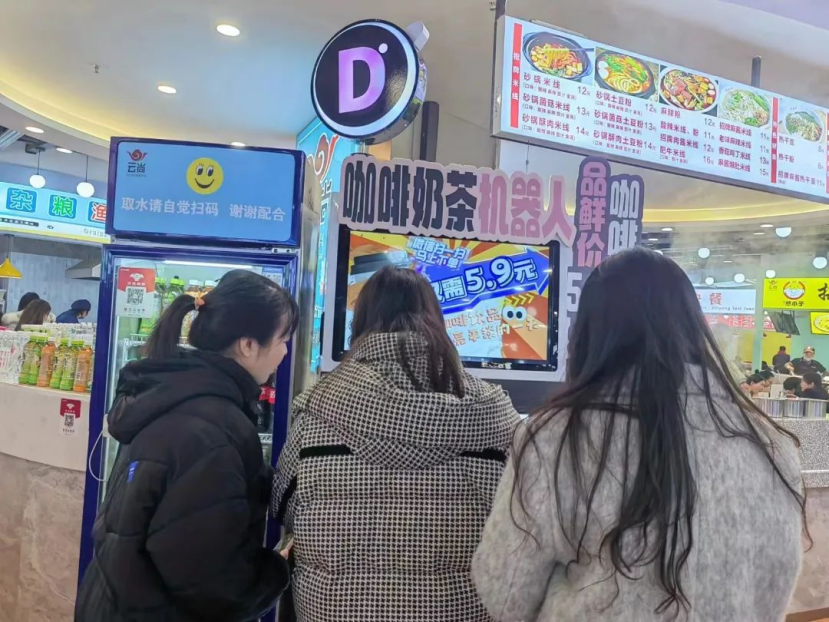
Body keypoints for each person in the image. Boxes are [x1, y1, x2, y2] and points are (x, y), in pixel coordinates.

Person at [472, 248, 806, 622]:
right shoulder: (768, 441)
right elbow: (777, 583)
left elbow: (505, 593)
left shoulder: (556, 437)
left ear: (588, 333)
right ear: (693, 325)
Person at [272, 266, 520, 622]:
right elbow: (519, 523)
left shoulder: (319, 407)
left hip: (337, 610)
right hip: (460, 610)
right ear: (437, 319)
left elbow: (283, 507)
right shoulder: (493, 415)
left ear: (361, 321)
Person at [76, 270, 297, 622]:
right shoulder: (212, 428)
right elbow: (209, 582)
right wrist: (274, 572)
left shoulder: (173, 393)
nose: (285, 352)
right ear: (248, 345)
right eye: (283, 339)